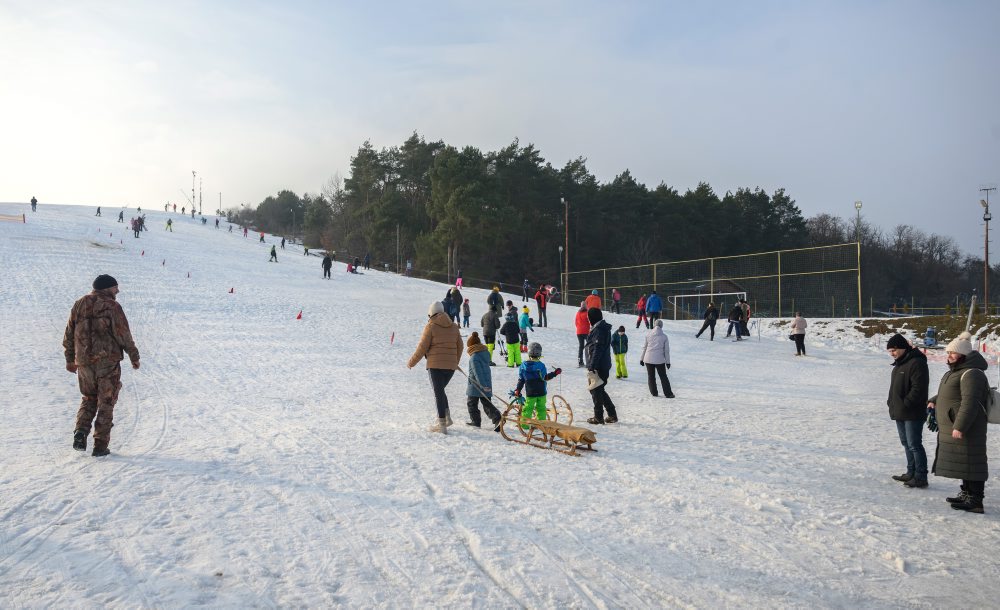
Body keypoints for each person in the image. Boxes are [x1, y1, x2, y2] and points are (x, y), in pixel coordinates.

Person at [64, 275, 140, 456]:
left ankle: (81, 431)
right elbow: (123, 333)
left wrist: (70, 359)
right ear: (106, 288)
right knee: (106, 402)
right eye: (115, 287)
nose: (117, 291)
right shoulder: (112, 306)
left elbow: (69, 333)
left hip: (84, 363)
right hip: (107, 362)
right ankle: (100, 446)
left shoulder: (79, 304)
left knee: (89, 398)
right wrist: (134, 356)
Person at [928, 331, 990, 513]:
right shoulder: (958, 371)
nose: (949, 356)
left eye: (953, 352)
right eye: (948, 352)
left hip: (969, 426)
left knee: (973, 462)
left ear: (963, 354)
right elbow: (951, 393)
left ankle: (976, 500)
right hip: (957, 424)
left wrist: (960, 426)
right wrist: (934, 400)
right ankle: (966, 493)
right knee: (964, 461)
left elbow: (970, 402)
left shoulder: (972, 373)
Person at [408, 301, 462, 433]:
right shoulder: (454, 326)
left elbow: (422, 347)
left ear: (431, 313)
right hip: (450, 367)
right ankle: (447, 418)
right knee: (440, 391)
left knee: (438, 393)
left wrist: (411, 362)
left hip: (435, 366)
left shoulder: (431, 326)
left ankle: (442, 424)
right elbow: (460, 346)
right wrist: (454, 362)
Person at [885, 333, 930, 488]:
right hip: (899, 411)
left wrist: (906, 403)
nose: (892, 354)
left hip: (912, 412)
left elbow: (919, 388)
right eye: (890, 351)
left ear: (903, 348)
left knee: (914, 444)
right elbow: (893, 389)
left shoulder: (917, 363)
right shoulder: (899, 365)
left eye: (894, 350)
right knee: (906, 443)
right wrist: (891, 402)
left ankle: (921, 476)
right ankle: (911, 472)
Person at [514, 342, 562, 430]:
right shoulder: (541, 365)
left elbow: (521, 379)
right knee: (541, 408)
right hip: (541, 391)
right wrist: (555, 373)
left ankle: (524, 425)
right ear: (539, 354)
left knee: (528, 408)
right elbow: (545, 377)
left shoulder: (523, 366)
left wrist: (518, 389)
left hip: (530, 392)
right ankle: (541, 424)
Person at [585, 307, 618, 424]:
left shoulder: (599, 330)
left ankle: (598, 417)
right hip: (601, 364)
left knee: (595, 390)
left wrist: (592, 366)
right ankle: (612, 414)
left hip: (599, 365)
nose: (588, 319)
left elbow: (597, 349)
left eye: (589, 317)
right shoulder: (599, 328)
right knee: (599, 390)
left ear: (592, 318)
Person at [465, 332, 502, 430]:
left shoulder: (474, 357)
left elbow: (478, 373)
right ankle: (497, 419)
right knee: (487, 404)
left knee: (471, 404)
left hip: (476, 385)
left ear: (471, 346)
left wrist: (482, 386)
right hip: (486, 383)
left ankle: (476, 422)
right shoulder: (484, 354)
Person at [640, 319, 674, 398]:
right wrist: (668, 362)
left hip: (648, 359)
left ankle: (654, 393)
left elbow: (644, 348)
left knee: (651, 376)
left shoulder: (648, 335)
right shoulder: (664, 337)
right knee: (663, 376)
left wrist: (641, 359)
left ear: (654, 325)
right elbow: (666, 351)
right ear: (661, 326)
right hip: (659, 360)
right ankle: (668, 394)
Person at [575, 301, 590, 367]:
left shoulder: (578, 313)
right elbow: (590, 322)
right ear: (586, 306)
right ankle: (589, 362)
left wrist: (579, 328)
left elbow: (576, 322)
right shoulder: (587, 313)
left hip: (579, 332)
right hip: (586, 332)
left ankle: (580, 362)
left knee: (581, 347)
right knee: (589, 347)